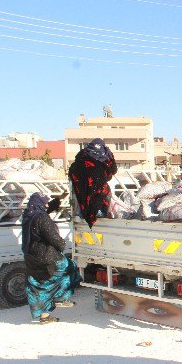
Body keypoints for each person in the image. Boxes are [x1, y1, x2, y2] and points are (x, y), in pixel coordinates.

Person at [22, 193, 82, 324]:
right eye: (44, 202)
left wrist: (57, 200)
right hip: (46, 257)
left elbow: (45, 211)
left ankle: (44, 317)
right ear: (39, 204)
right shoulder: (42, 219)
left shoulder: (28, 216)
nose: (45, 205)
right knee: (70, 268)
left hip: (31, 258)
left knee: (41, 287)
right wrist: (62, 244)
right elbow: (52, 237)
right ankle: (61, 297)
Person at [68, 138, 118, 228]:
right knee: (102, 194)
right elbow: (113, 170)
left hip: (82, 185)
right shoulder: (107, 154)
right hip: (98, 186)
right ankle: (99, 212)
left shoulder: (83, 154)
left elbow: (73, 170)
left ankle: (84, 213)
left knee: (83, 197)